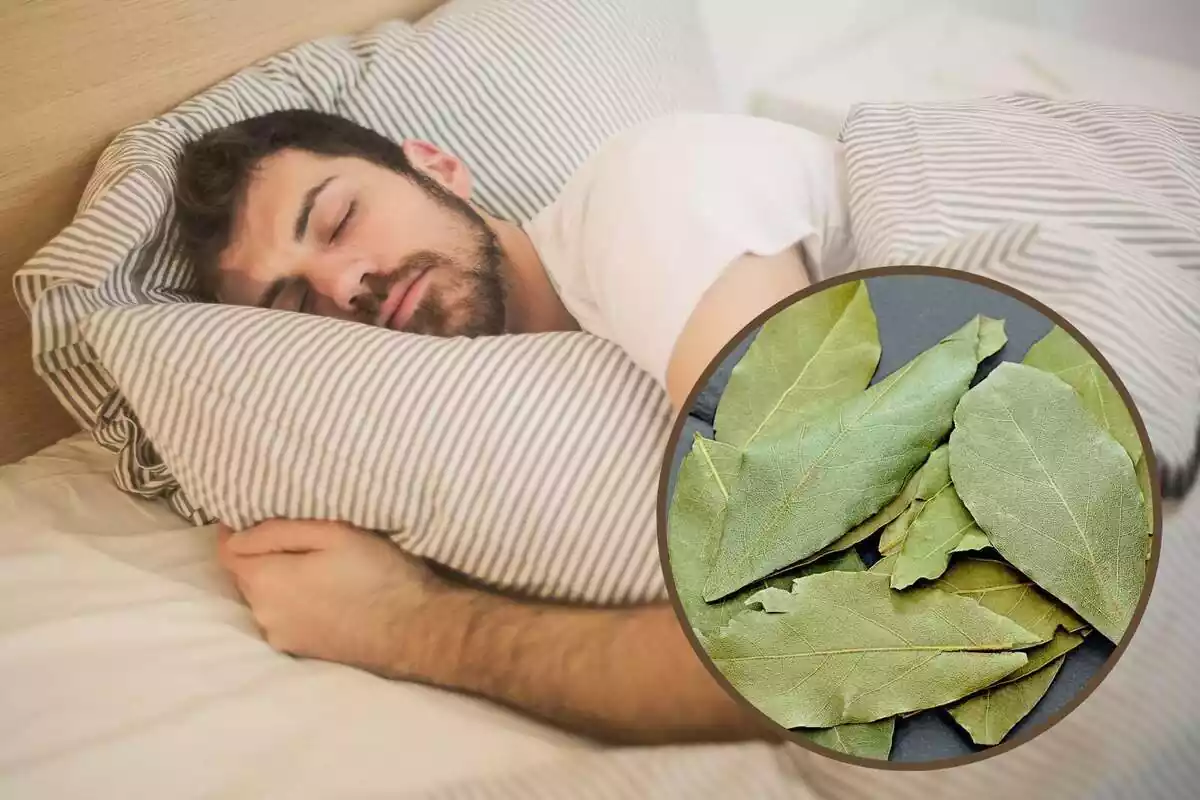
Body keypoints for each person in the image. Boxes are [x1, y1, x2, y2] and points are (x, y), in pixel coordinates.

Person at [174, 108, 855, 745]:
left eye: (338, 218)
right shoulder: (478, 436)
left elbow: (836, 644)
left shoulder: (646, 198)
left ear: (435, 168)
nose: (345, 285)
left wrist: (404, 626)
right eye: (296, 302)